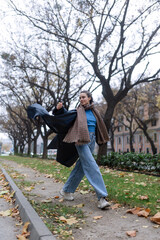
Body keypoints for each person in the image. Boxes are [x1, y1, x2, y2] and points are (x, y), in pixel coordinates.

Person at [57, 90, 110, 209]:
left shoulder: (94, 111)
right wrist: (60, 110)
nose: (81, 99)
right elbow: (66, 116)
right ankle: (101, 198)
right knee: (92, 166)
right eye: (80, 98)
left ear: (89, 98)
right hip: (80, 140)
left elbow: (98, 126)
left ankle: (66, 190)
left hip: (91, 139)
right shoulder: (77, 111)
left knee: (81, 166)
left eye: (83, 97)